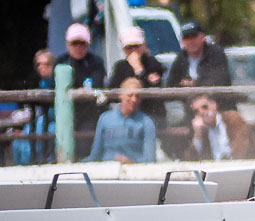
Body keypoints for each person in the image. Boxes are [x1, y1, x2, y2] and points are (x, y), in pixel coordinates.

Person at [55, 23, 107, 154]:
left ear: (88, 44)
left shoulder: (96, 62)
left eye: (82, 43)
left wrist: (77, 92)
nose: (79, 47)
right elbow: (54, 86)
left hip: (89, 113)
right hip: (65, 113)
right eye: (75, 43)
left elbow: (97, 84)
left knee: (85, 145)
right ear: (67, 44)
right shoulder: (60, 62)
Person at [85, 78, 156, 163]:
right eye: (130, 95)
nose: (134, 99)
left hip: (135, 171)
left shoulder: (146, 122)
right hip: (107, 170)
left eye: (137, 96)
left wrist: (131, 162)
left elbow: (150, 158)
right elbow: (96, 154)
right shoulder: (105, 119)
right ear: (121, 95)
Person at [165, 22, 233, 107]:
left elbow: (219, 80)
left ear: (202, 37)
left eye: (194, 37)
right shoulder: (181, 58)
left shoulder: (216, 53)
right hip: (190, 106)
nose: (191, 41)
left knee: (232, 116)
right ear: (182, 41)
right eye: (187, 38)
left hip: (219, 104)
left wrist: (194, 84)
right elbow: (171, 85)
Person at [107, 27, 166, 126]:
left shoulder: (153, 64)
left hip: (151, 114)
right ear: (124, 49)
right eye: (129, 47)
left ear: (143, 46)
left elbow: (153, 90)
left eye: (136, 46)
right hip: (127, 115)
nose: (133, 50)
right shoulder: (120, 67)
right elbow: (112, 91)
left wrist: (139, 70)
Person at [183, 92, 255, 161]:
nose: (202, 113)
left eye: (205, 107)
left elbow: (241, 150)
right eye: (196, 111)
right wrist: (197, 135)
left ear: (214, 105)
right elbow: (191, 161)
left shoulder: (232, 118)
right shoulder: (201, 130)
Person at [12, 50, 56, 165]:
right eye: (39, 64)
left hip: (53, 121)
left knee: (44, 127)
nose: (42, 67)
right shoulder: (35, 81)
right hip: (36, 120)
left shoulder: (57, 81)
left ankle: (42, 160)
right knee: (19, 138)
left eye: (46, 64)